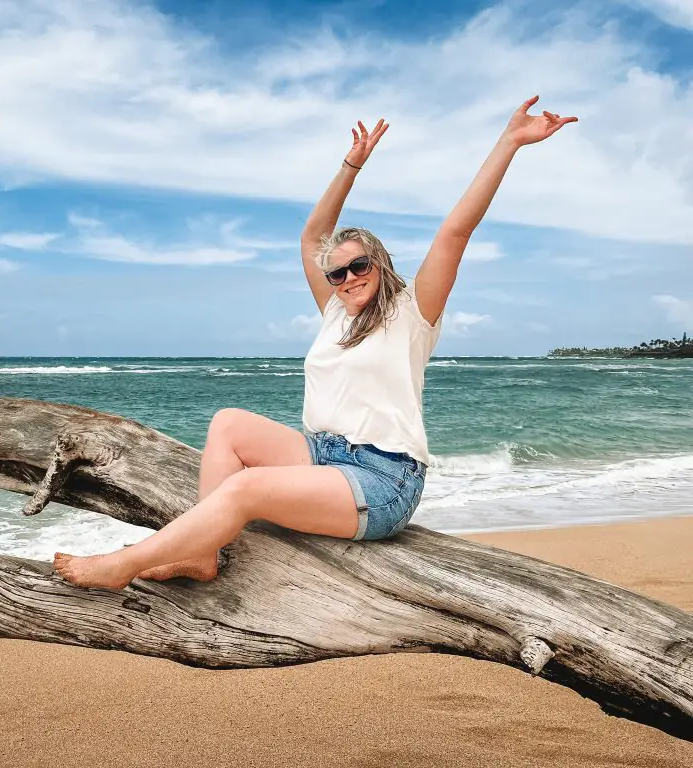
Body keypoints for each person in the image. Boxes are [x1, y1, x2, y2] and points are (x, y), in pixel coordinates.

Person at [53, 95, 577, 589]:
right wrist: (351, 166)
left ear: (380, 262)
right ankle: (200, 554)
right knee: (228, 423)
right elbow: (311, 239)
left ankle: (123, 564)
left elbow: (456, 230)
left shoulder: (414, 311)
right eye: (337, 273)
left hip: (382, 479)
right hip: (323, 455)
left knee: (247, 488)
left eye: (358, 266)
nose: (347, 278)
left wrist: (508, 143)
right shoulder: (334, 313)